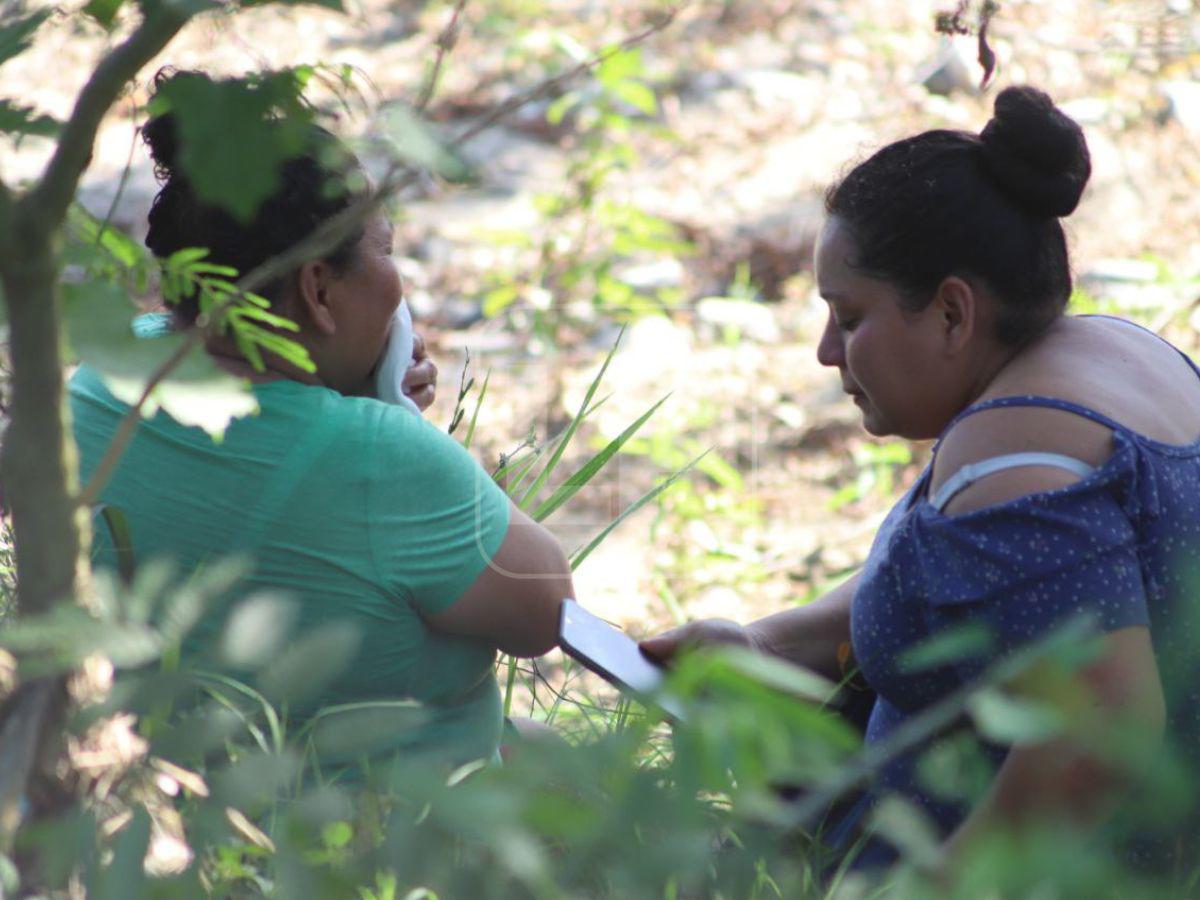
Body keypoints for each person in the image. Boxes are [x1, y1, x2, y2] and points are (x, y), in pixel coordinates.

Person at [641, 85, 1198, 873]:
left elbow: (1098, 742)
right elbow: (989, 592)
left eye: (850, 316)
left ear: (951, 313)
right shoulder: (1113, 355)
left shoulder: (1013, 463)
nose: (827, 354)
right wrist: (767, 643)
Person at [70, 70, 574, 773]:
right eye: (386, 251)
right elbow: (545, 609)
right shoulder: (380, 456)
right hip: (377, 837)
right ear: (318, 290)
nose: (397, 283)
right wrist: (391, 418)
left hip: (160, 796)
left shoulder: (95, 384)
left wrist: (354, 403)